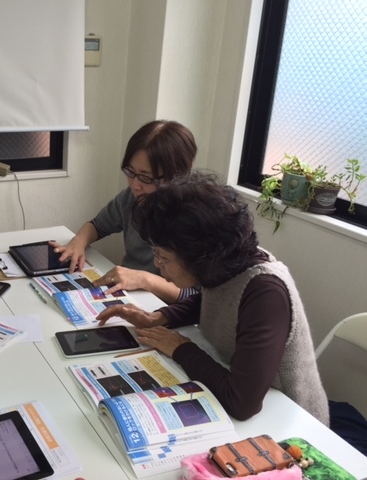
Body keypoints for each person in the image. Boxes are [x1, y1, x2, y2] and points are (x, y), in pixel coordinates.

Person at [97, 171, 329, 426]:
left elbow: (242, 403)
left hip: (293, 422)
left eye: (163, 257)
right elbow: (212, 300)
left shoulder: (265, 293)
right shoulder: (224, 263)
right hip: (243, 392)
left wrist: (180, 348)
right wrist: (159, 317)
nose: (157, 264)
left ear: (200, 256)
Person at [51, 120, 197, 304]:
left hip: (166, 308)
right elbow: (97, 226)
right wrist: (78, 242)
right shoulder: (132, 198)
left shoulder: (195, 218)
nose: (135, 185)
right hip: (128, 293)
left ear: (175, 177)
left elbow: (196, 297)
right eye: (130, 172)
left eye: (145, 177)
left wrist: (144, 279)